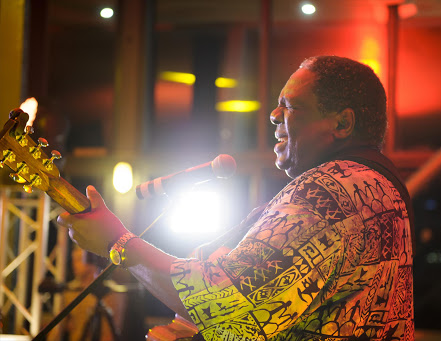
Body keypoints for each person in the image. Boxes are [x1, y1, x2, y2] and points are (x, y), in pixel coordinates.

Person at [58, 56, 415, 340]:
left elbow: (227, 305)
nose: (273, 116)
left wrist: (118, 243)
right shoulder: (379, 192)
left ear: (342, 124)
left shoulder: (328, 190)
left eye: (289, 106)